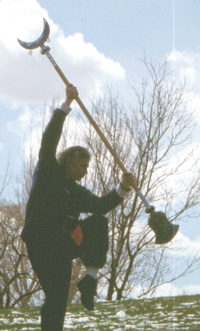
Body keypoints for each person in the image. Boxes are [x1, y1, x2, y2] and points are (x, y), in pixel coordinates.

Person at [21, 84, 137, 331]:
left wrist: (123, 186)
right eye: (82, 166)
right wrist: (66, 105)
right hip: (40, 243)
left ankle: (90, 280)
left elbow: (99, 205)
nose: (85, 171)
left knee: (97, 221)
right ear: (69, 162)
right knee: (56, 299)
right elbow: (49, 140)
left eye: (87, 167)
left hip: (63, 246)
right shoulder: (48, 172)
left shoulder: (76, 191)